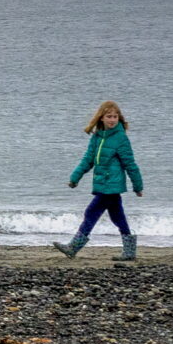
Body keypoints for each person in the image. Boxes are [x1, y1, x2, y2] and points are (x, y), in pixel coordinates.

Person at [56, 100, 144, 261]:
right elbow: (88, 160)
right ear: (101, 118)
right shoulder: (97, 137)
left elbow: (130, 163)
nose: (112, 120)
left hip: (111, 185)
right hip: (102, 183)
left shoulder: (121, 138)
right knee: (118, 217)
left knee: (91, 212)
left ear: (119, 118)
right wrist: (75, 178)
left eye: (115, 116)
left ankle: (73, 247)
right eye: (109, 116)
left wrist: (138, 186)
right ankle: (130, 251)